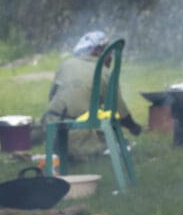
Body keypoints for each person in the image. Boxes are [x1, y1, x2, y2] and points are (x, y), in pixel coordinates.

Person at [41, 31, 141, 159]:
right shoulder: (105, 73)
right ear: (96, 52)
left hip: (53, 132)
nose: (111, 58)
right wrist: (134, 127)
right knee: (106, 130)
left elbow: (52, 97)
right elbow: (120, 111)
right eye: (108, 53)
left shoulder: (65, 65)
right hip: (80, 135)